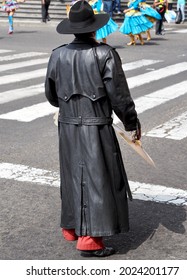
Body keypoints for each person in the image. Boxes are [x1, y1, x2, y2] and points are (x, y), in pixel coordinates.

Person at [45, 0, 141, 258]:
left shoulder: (57, 54)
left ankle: (71, 226)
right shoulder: (105, 54)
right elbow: (119, 96)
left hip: (67, 126)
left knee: (72, 175)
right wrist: (132, 123)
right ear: (94, 28)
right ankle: (90, 240)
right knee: (99, 179)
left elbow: (51, 96)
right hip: (96, 126)